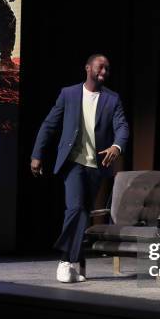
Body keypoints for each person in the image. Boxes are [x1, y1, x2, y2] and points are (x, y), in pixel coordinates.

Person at [31, 54, 129, 283]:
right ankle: (65, 261)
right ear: (87, 68)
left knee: (84, 214)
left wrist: (117, 146)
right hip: (73, 163)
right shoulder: (69, 94)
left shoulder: (112, 99)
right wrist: (37, 154)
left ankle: (79, 260)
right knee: (75, 208)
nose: (104, 71)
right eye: (100, 67)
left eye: (107, 68)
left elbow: (122, 126)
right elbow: (49, 124)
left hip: (96, 166)